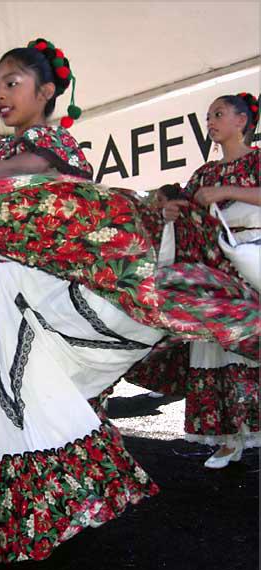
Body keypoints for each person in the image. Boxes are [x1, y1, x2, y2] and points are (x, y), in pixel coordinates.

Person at [0, 40, 259, 567]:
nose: (0, 94)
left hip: (29, 285)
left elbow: (40, 161)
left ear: (45, 92)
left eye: (11, 82)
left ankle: (1, 524)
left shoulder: (50, 145)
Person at [125, 92, 260, 469]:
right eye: (208, 116)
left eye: (218, 114)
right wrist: (169, 210)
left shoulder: (258, 160)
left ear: (242, 121)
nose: (211, 121)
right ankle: (228, 437)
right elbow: (184, 209)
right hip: (214, 262)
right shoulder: (203, 174)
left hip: (254, 254)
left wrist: (228, 191)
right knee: (213, 343)